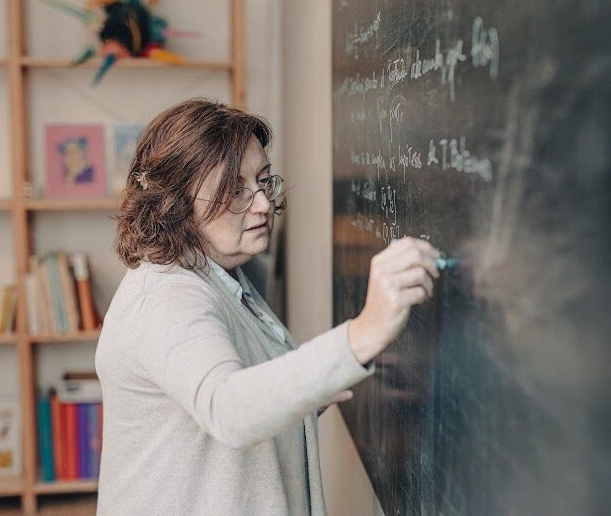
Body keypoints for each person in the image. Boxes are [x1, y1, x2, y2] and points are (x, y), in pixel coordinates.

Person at [94, 98, 440, 515]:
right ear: (176, 205)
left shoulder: (224, 271)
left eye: (262, 181)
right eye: (233, 191)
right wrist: (362, 332)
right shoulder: (168, 296)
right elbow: (229, 407)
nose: (261, 203)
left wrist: (359, 360)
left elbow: (258, 386)